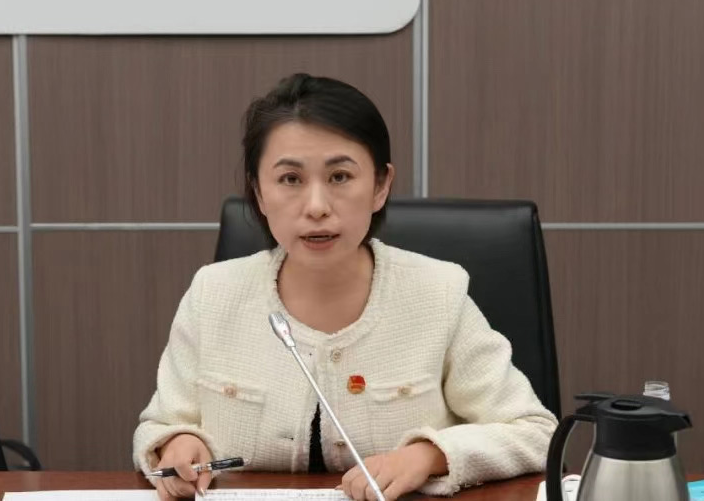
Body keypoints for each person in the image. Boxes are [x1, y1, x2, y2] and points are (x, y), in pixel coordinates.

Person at [133, 73, 557, 501]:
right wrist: (177, 445)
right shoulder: (213, 293)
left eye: (339, 177)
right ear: (259, 193)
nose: (317, 207)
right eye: (290, 179)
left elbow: (536, 432)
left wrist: (428, 456)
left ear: (380, 186)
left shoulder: (437, 293)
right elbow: (159, 426)